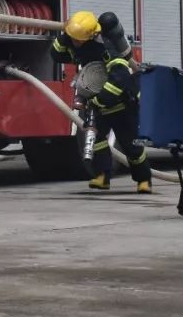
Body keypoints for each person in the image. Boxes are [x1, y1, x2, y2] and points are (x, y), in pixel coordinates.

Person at [50, 10, 153, 193]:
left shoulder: (107, 49)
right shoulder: (79, 46)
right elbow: (57, 55)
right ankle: (102, 177)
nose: (75, 43)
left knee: (131, 145)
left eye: (78, 39)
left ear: (90, 36)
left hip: (122, 104)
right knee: (96, 140)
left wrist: (100, 99)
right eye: (73, 39)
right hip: (99, 103)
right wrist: (66, 36)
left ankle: (143, 180)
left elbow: (119, 79)